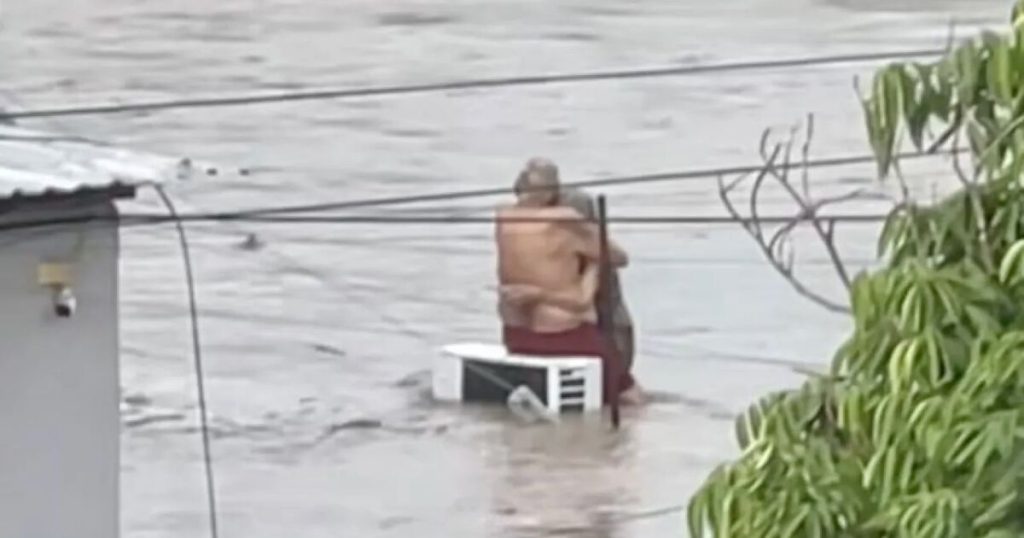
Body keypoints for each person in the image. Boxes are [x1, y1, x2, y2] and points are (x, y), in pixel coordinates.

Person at [495, 157, 641, 405]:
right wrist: (593, 261)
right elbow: (619, 258)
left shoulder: (503, 218)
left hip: (517, 337)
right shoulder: (566, 221)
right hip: (564, 335)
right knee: (631, 396)